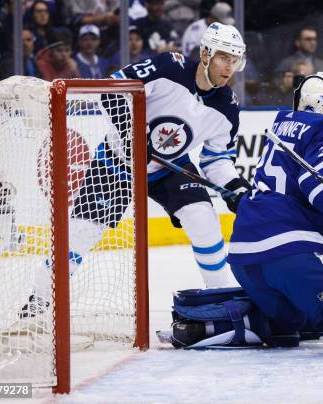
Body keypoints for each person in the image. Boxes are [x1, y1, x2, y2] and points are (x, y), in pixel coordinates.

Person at [159, 72, 323, 362]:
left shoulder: (283, 126)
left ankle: (212, 324)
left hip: (245, 259)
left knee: (290, 319)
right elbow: (322, 183)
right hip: (292, 254)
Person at [19, 22, 251, 317]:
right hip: (116, 161)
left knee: (203, 219)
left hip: (170, 168)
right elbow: (113, 90)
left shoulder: (227, 107)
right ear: (205, 54)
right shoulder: (169, 66)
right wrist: (132, 136)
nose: (229, 67)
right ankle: (38, 301)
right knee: (81, 232)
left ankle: (221, 301)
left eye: (234, 60)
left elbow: (216, 160)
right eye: (223, 57)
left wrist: (236, 188)